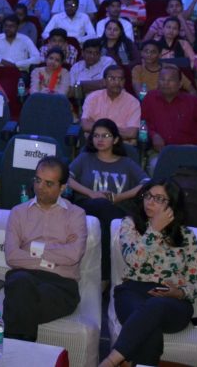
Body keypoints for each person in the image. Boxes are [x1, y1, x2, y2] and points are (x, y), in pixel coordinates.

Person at [100, 179, 197, 367]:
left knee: (155, 307)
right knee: (149, 330)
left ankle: (110, 361)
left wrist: (180, 292)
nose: (150, 202)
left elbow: (196, 282)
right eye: (148, 196)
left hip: (172, 301)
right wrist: (154, 230)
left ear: (172, 204)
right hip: (133, 291)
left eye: (159, 199)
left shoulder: (186, 235)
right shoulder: (130, 224)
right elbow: (133, 260)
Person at [3, 156, 87, 342]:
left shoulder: (76, 215)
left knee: (19, 301)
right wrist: (52, 259)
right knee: (21, 284)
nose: (40, 187)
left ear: (62, 187)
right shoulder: (18, 212)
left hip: (61, 285)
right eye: (38, 180)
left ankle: (13, 351)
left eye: (49, 183)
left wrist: (33, 248)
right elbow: (12, 256)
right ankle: (23, 352)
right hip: (24, 277)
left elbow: (73, 255)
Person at [69, 117, 149, 282]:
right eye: (96, 135)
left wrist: (119, 197)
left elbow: (147, 183)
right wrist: (91, 193)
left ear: (116, 139)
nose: (100, 139)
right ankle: (106, 278)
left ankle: (104, 279)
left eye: (105, 136)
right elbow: (65, 178)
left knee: (107, 221)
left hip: (117, 210)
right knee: (102, 205)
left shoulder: (126, 163)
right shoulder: (85, 158)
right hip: (88, 206)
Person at [81, 66, 141, 143]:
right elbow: (85, 125)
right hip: (95, 144)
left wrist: (97, 127)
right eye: (112, 78)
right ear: (104, 81)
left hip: (120, 144)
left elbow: (132, 133)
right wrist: (119, 131)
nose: (117, 82)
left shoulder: (133, 102)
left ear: (124, 81)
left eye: (120, 79)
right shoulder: (93, 98)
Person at [131, 40, 195, 94]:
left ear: (159, 55)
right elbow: (140, 94)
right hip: (148, 102)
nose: (149, 54)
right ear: (141, 53)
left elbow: (191, 89)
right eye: (146, 51)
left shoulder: (171, 68)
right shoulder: (137, 70)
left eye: (153, 52)